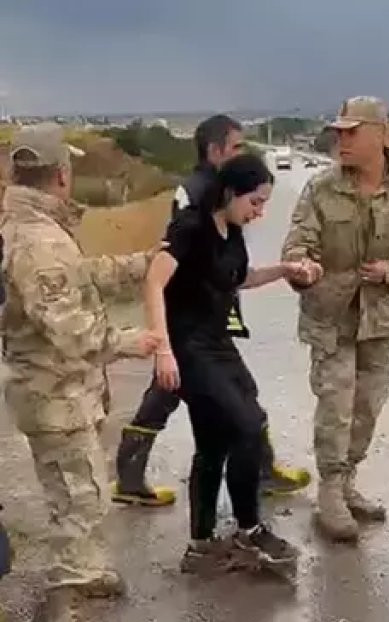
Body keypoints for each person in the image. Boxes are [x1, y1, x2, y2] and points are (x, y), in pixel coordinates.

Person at [1, 123, 161, 622]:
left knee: (68, 495)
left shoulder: (28, 227)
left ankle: (81, 578)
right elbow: (69, 327)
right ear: (62, 177)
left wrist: (141, 264)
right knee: (82, 502)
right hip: (56, 393)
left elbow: (78, 277)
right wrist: (128, 341)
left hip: (49, 390)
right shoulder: (40, 240)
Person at [113, 114, 311, 506]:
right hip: (188, 320)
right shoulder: (196, 194)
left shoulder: (225, 195)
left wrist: (280, 271)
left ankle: (259, 467)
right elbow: (173, 264)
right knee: (170, 393)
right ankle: (132, 476)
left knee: (235, 390)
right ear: (214, 150)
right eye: (236, 147)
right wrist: (166, 341)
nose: (242, 154)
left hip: (212, 313)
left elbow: (233, 270)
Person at [141, 152, 321, 573]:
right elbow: (153, 280)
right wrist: (162, 349)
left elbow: (237, 278)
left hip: (218, 344)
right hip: (187, 348)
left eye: (263, 204)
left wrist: (285, 269)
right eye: (255, 202)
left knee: (215, 441)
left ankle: (201, 546)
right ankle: (248, 530)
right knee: (247, 424)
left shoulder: (232, 231)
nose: (259, 212)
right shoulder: (191, 227)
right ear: (230, 192)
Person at [281, 96, 389, 543]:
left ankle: (348, 479)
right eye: (338, 132)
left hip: (381, 317)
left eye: (352, 132)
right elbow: (298, 243)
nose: (342, 141)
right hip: (331, 316)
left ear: (379, 133)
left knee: (367, 407)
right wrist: (302, 267)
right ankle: (330, 492)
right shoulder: (321, 188)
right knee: (335, 405)